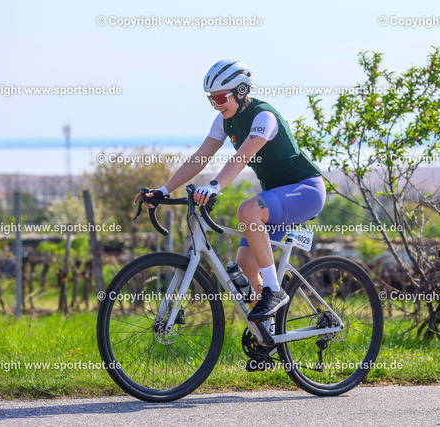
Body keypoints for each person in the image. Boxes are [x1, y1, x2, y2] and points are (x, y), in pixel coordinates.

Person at [136, 60, 326, 368]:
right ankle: (270, 340)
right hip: (276, 199)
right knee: (246, 268)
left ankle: (274, 290)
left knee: (247, 210)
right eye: (211, 99)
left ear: (240, 92)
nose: (216, 104)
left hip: (305, 190)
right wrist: (164, 189)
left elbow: (241, 158)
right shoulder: (224, 120)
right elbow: (200, 157)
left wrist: (214, 186)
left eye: (220, 98)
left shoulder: (264, 117)